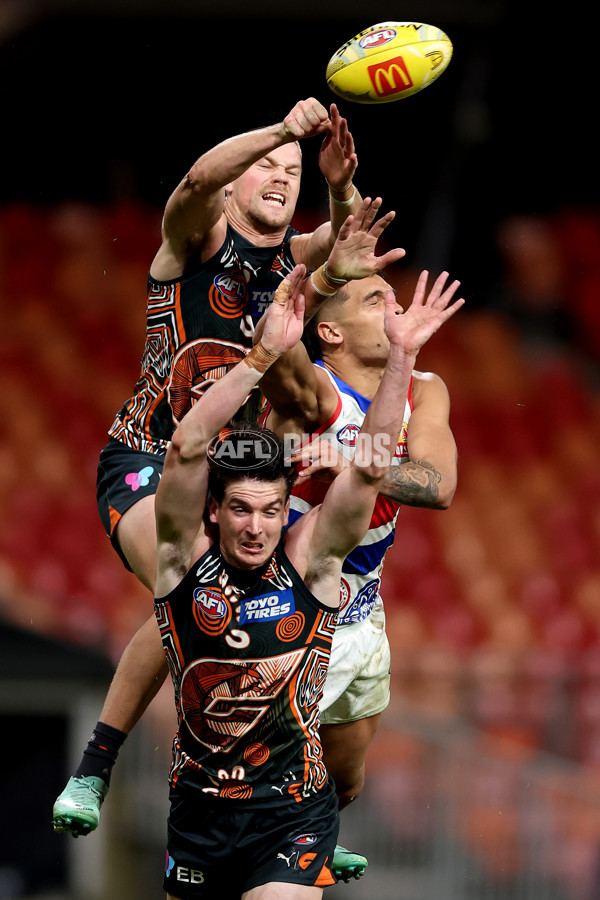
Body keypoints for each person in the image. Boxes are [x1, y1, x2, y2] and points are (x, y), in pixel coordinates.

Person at [52, 98, 369, 869]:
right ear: (234, 185)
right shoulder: (198, 239)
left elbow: (348, 236)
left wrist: (334, 182)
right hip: (147, 458)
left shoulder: (294, 258)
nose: (278, 177)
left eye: (289, 175)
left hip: (233, 474)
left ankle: (302, 816)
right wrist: (283, 133)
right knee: (187, 579)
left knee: (270, 608)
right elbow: (196, 177)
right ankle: (93, 770)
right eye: (265, 167)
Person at [152, 260, 463, 898]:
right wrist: (318, 271)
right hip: (284, 605)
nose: (396, 309)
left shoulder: (424, 388)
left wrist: (351, 460)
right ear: (334, 334)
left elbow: (439, 486)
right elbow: (278, 341)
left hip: (360, 612)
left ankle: (314, 828)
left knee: (345, 782)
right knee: (252, 768)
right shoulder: (312, 393)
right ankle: (100, 767)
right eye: (378, 300)